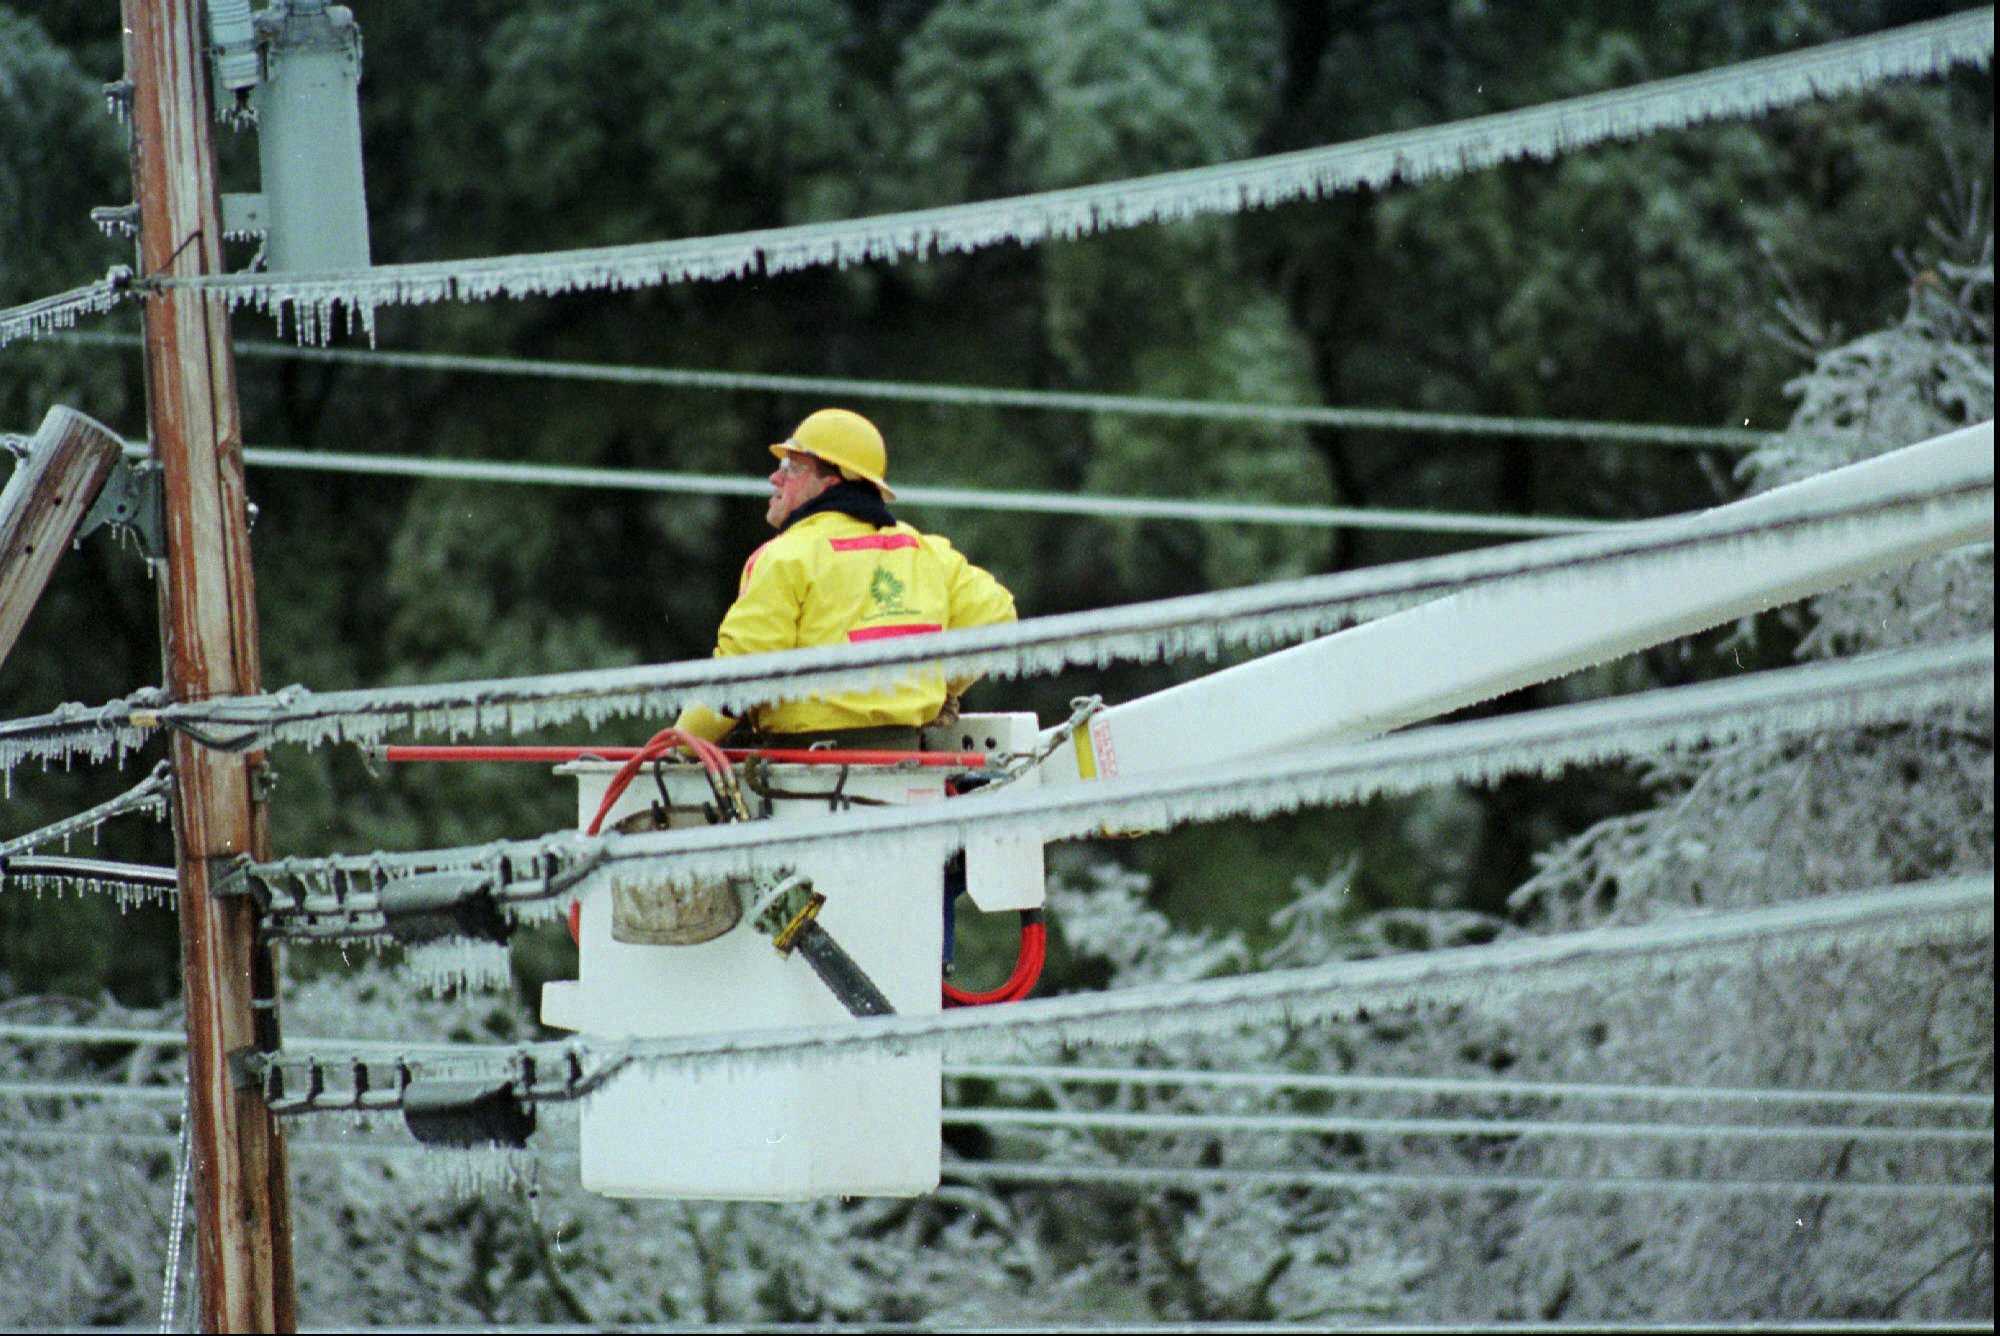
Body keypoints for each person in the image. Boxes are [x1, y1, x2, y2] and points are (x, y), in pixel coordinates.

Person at [672, 408, 1017, 748]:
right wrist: (935, 686)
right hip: (907, 765)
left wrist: (680, 746)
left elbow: (738, 678)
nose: (775, 479)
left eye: (792, 468)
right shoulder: (925, 551)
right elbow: (996, 617)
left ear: (832, 482)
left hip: (806, 779)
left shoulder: (786, 558)